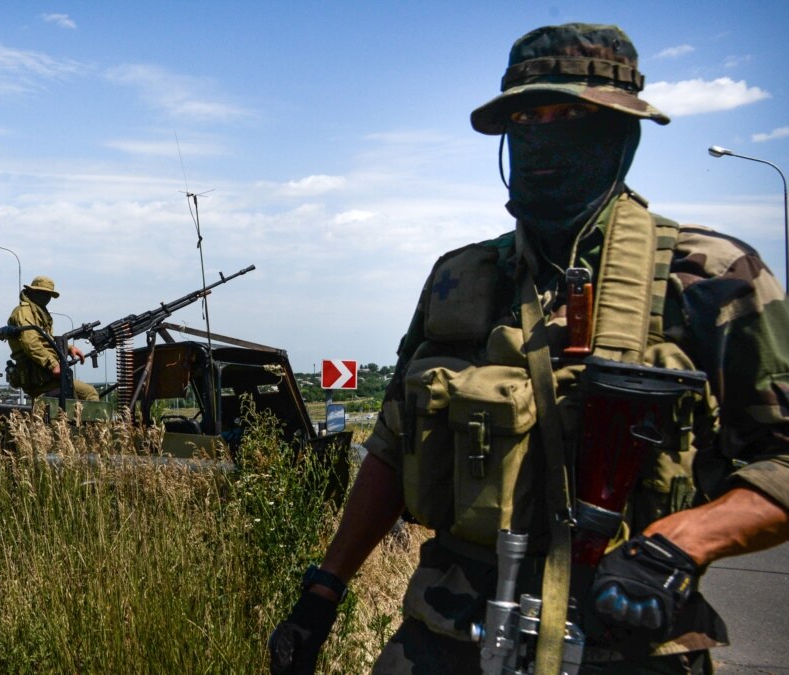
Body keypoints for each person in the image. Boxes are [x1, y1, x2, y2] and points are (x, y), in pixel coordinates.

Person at [270, 23, 789, 674]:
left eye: (570, 114)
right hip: (444, 636)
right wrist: (325, 587)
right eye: (527, 117)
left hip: (624, 645)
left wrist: (682, 541)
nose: (543, 133)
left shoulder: (711, 278)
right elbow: (392, 446)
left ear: (620, 132)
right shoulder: (460, 278)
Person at [7, 275, 99, 401]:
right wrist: (52, 364)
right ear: (32, 291)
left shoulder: (38, 313)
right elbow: (31, 342)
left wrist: (68, 347)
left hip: (42, 372)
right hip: (37, 374)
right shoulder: (24, 312)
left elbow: (45, 340)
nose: (47, 298)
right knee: (89, 393)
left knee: (78, 395)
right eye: (43, 293)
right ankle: (86, 421)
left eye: (49, 295)